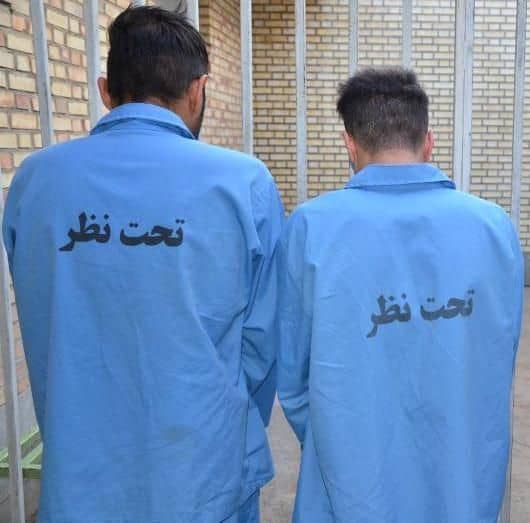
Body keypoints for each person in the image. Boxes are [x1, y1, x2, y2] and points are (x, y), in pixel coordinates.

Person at [2, 6, 284, 523]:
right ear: (198, 90)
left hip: (80, 474)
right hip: (203, 476)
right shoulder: (243, 184)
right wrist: (231, 427)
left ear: (105, 91)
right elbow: (263, 342)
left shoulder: (35, 182)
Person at [276, 67, 524, 523]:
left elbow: (292, 377)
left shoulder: (312, 227)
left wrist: (342, 444)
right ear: (428, 141)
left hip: (350, 490)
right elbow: (495, 360)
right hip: (460, 482)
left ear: (350, 144)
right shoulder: (494, 228)